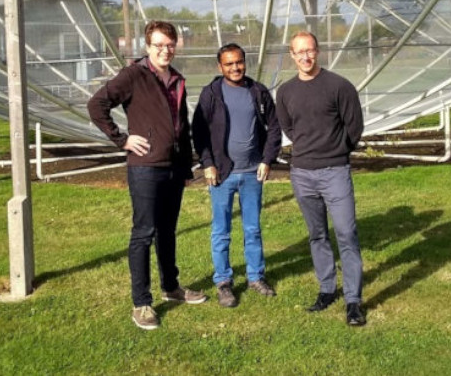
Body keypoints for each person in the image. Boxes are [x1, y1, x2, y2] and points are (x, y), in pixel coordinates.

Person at [87, 20, 207, 330]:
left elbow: (182, 127)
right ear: (147, 47)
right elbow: (96, 104)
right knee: (144, 233)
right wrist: (122, 138)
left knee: (168, 231)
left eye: (169, 45)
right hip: (145, 167)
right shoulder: (134, 75)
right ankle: (141, 302)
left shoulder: (177, 79)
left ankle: (171, 288)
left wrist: (184, 167)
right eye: (158, 45)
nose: (165, 50)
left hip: (172, 168)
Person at [275, 30, 367, 327]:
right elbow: (289, 128)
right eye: (299, 52)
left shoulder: (339, 86)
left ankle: (353, 300)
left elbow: (354, 127)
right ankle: (327, 288)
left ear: (318, 51)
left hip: (335, 171)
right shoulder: (285, 92)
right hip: (302, 173)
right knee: (317, 235)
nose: (305, 56)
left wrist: (337, 152)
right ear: (292, 55)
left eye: (310, 50)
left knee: (346, 233)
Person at [192, 43, 282, 308]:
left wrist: (267, 160)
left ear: (245, 62)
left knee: (252, 229)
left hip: (253, 173)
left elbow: (274, 128)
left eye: (239, 62)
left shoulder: (258, 91)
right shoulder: (211, 94)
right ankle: (223, 282)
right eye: (229, 63)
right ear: (220, 66)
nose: (235, 68)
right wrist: (208, 163)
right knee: (221, 231)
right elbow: (199, 132)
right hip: (221, 174)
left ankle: (256, 277)